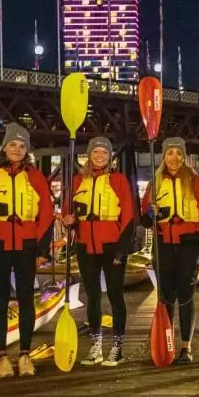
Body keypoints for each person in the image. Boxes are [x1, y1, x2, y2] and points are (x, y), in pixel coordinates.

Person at [0, 123, 54, 378]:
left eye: (21, 146)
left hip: (27, 244)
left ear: (27, 150)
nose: (17, 149)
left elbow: (46, 213)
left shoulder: (36, 176)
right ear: (4, 147)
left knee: (27, 298)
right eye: (12, 145)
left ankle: (26, 354)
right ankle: (1, 358)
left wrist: (42, 247)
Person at [62, 137, 135, 367]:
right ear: (89, 155)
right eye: (96, 152)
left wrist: (122, 249)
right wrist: (68, 220)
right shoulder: (76, 181)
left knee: (115, 295)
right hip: (86, 247)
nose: (100, 155)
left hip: (112, 246)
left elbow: (129, 217)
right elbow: (67, 213)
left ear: (110, 156)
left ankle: (117, 347)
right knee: (92, 296)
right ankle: (95, 347)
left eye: (104, 152)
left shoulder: (118, 180)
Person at [140, 137, 199, 365]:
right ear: (164, 156)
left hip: (188, 245)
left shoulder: (195, 180)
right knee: (166, 297)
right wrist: (151, 213)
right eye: (170, 153)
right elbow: (143, 219)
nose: (174, 158)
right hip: (163, 244)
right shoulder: (155, 182)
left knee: (186, 295)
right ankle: (166, 344)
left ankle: (186, 347)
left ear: (184, 156)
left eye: (179, 154)